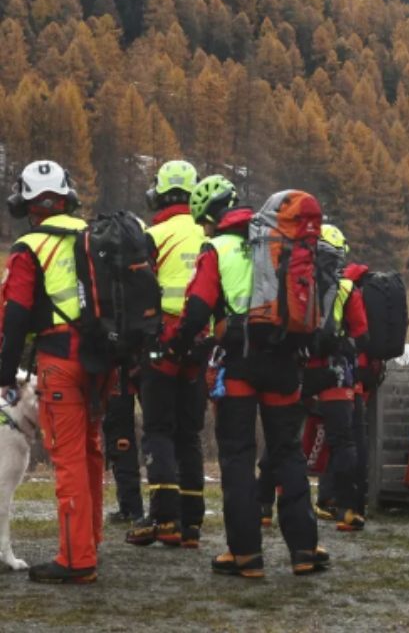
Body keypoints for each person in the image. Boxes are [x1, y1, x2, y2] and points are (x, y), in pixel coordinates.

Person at [166, 175, 324, 578]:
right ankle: (304, 550)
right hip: (286, 357)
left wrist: (179, 344)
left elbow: (198, 310)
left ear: (208, 219)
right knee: (287, 452)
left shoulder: (216, 248)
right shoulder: (276, 243)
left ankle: (246, 555)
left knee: (237, 455)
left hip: (240, 361)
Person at [0, 160, 103, 584]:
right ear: (68, 197)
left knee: (68, 459)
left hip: (59, 361)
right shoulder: (93, 237)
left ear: (26, 203)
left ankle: (76, 560)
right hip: (102, 362)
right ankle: (91, 542)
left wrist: (6, 374)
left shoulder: (29, 248)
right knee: (92, 453)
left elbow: (16, 315)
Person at [125, 160, 209, 549]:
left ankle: (165, 518)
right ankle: (192, 525)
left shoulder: (151, 235)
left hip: (160, 344)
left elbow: (137, 292)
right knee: (190, 433)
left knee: (158, 429)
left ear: (157, 193)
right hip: (199, 343)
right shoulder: (208, 233)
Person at [304, 223, 368, 532]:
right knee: (343, 442)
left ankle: (265, 504)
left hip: (300, 370)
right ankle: (347, 509)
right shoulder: (347, 288)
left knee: (286, 437)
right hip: (336, 375)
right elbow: (362, 334)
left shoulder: (299, 281)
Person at [103, 377, 144, 525]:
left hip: (120, 386)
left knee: (122, 445)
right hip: (117, 386)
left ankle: (133, 510)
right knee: (117, 448)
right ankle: (127, 508)